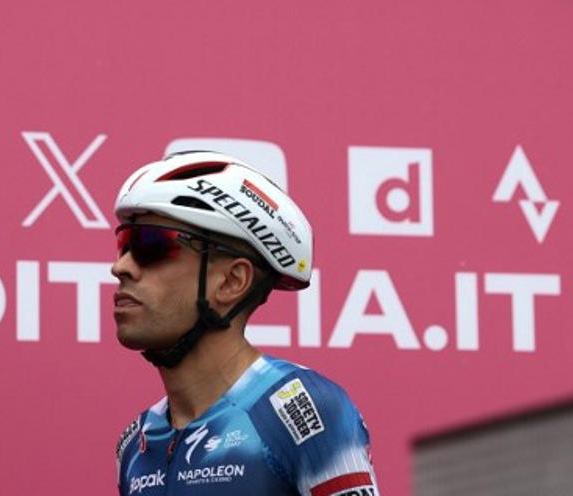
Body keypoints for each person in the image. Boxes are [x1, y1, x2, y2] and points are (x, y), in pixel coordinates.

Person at [110, 150, 380, 496]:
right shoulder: (136, 443)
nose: (121, 267)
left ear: (232, 281)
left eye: (151, 245)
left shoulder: (302, 409)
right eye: (123, 245)